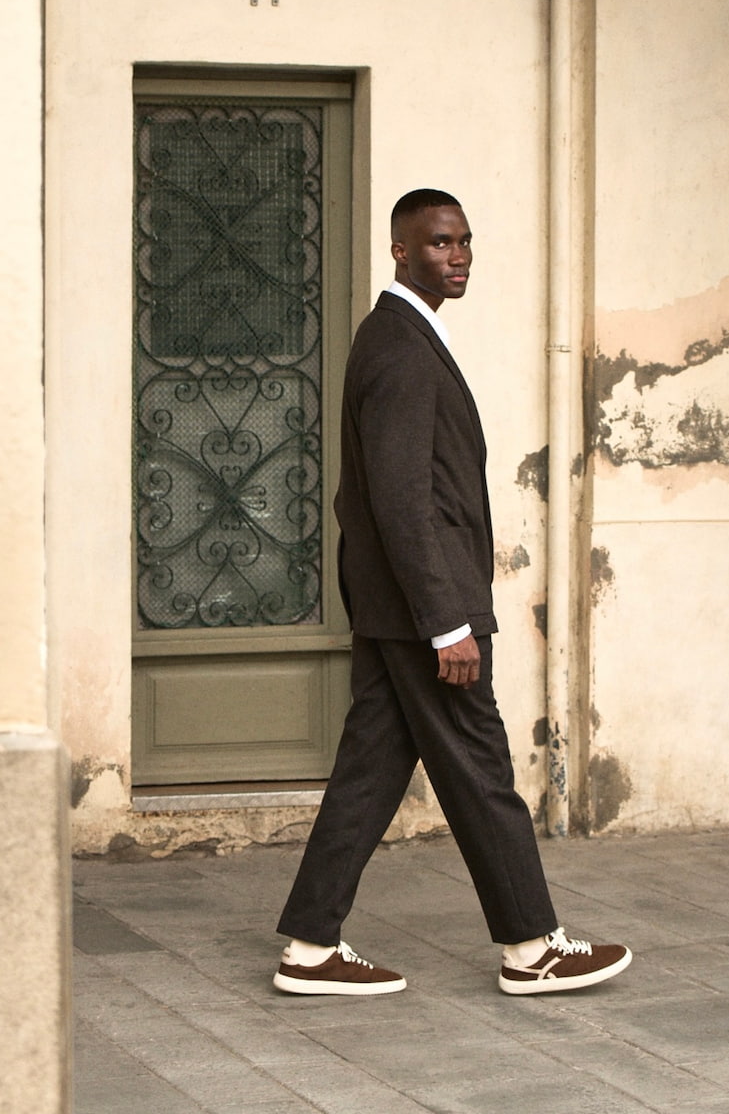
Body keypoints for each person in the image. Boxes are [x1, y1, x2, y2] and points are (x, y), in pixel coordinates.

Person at [272, 189, 632, 997]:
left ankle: (308, 947)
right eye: (439, 243)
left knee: (369, 775)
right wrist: (446, 624)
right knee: (481, 768)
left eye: (464, 241)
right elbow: (401, 502)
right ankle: (533, 948)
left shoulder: (403, 338)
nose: (457, 255)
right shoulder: (400, 349)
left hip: (398, 612)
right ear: (401, 251)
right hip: (426, 617)